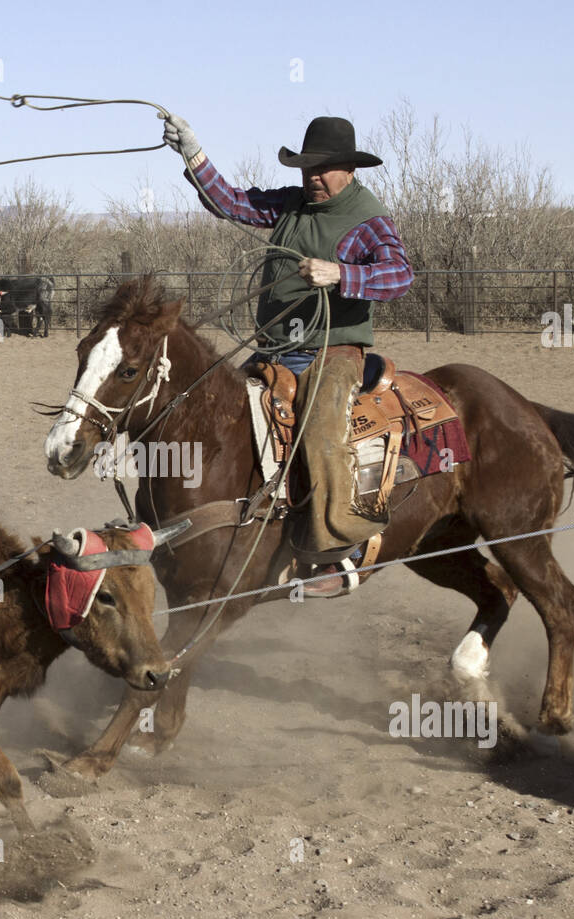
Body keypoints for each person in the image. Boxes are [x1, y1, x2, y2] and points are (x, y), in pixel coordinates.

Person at [161, 113, 414, 595]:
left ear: (350, 169)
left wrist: (341, 274)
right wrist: (192, 153)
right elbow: (231, 202)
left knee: (319, 434)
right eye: (306, 169)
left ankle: (337, 554)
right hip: (275, 349)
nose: (312, 178)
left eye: (323, 169)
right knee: (212, 416)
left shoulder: (367, 219)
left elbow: (400, 274)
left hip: (331, 351)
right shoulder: (291, 204)